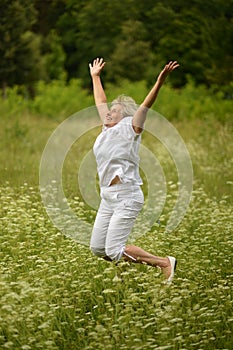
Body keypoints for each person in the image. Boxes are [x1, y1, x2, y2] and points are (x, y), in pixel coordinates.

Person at [89, 57, 179, 283]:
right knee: (98, 249)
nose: (109, 112)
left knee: (115, 250)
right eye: (110, 110)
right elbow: (100, 100)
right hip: (107, 197)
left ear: (125, 116)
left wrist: (159, 81)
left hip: (126, 196)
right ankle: (130, 265)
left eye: (115, 111)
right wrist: (96, 76)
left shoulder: (131, 129)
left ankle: (164, 263)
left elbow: (146, 106)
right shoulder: (106, 129)